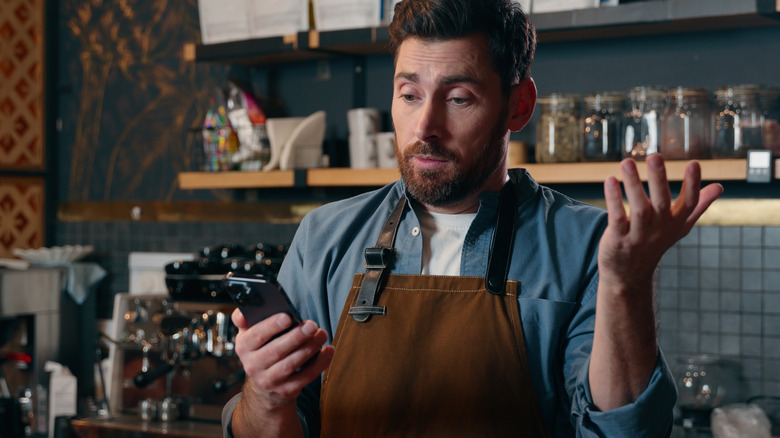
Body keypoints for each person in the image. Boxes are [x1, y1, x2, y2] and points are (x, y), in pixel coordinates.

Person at [222, 0, 724, 436]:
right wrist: (266, 397)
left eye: (459, 98)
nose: (426, 126)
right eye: (409, 94)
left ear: (518, 105)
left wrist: (626, 284)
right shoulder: (325, 237)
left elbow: (623, 432)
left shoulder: (587, 245)